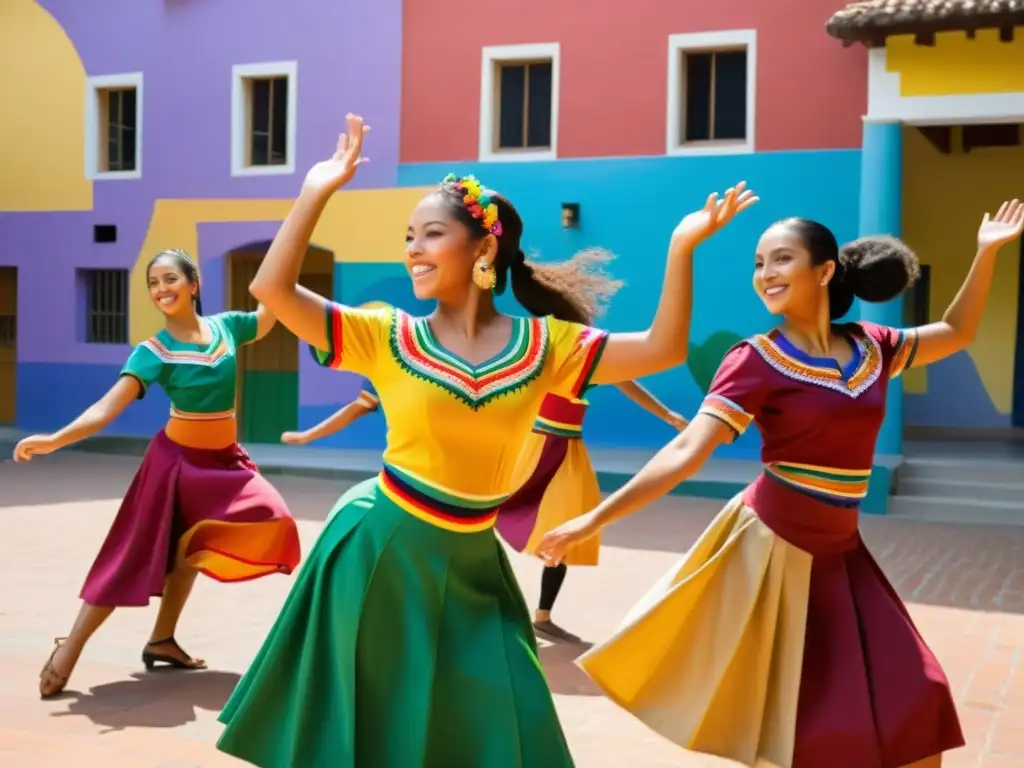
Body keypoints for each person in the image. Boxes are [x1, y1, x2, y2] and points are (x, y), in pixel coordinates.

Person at [215, 113, 757, 768]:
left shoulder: (546, 344)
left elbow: (663, 348)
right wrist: (316, 191)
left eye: (430, 235)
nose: (412, 249)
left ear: (482, 249)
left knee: (510, 725)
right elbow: (270, 288)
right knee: (373, 731)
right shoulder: (385, 334)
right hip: (381, 549)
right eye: (407, 237)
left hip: (475, 559)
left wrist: (681, 247)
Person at [537, 199, 1024, 768]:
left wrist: (986, 252)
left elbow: (958, 330)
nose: (765, 274)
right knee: (803, 733)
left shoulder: (875, 347)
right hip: (774, 555)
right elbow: (689, 448)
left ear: (824, 271)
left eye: (781, 259)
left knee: (918, 711)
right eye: (758, 262)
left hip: (843, 556)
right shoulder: (756, 359)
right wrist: (595, 519)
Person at [14, 248, 301, 699]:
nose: (161, 289)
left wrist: (291, 241)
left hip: (224, 463)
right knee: (133, 556)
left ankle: (162, 640)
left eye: (170, 279)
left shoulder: (228, 327)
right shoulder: (154, 352)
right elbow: (106, 408)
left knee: (261, 521)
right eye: (153, 283)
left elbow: (271, 307)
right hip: (175, 465)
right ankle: (69, 649)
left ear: (193, 284)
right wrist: (55, 440)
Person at [500, 354, 687, 642]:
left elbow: (626, 381)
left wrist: (667, 415)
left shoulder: (590, 358)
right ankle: (495, 613)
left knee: (563, 531)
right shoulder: (540, 352)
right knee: (504, 522)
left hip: (566, 453)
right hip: (531, 448)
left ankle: (542, 617)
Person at [279, 387, 380, 445]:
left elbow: (361, 406)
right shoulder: (385, 360)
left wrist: (305, 436)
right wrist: (305, 436)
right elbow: (362, 405)